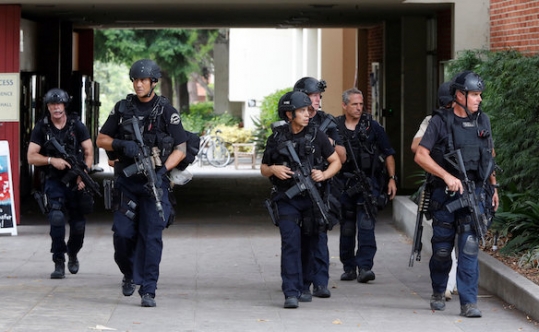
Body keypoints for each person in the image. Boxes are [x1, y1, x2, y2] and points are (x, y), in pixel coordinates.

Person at [96, 59, 187, 307]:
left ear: (153, 82)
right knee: (122, 235)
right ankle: (129, 272)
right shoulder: (122, 108)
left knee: (151, 236)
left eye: (143, 80)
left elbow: (181, 148)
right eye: (135, 80)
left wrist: (162, 172)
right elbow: (101, 139)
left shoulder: (166, 111)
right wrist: (120, 144)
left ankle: (149, 288)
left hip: (154, 185)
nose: (138, 84)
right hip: (127, 183)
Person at [414, 70, 499, 317]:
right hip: (445, 196)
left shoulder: (484, 121)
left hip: (475, 193)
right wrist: (446, 176)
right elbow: (420, 155)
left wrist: (493, 186)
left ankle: (469, 302)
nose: (479, 99)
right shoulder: (440, 121)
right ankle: (439, 290)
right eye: (474, 94)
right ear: (460, 95)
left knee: (470, 248)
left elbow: (489, 155)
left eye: (479, 95)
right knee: (441, 251)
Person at [261, 91, 341, 309]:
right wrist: (273, 169)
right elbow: (263, 168)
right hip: (286, 198)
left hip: (311, 200)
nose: (308, 114)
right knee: (290, 243)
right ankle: (291, 292)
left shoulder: (317, 136)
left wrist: (323, 175)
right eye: (302, 111)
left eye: (309, 110)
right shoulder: (277, 137)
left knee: (309, 242)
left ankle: (306, 285)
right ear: (289, 114)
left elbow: (336, 161)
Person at [27, 88, 94, 279]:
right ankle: (58, 261)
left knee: (79, 226)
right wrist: (51, 161)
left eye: (59, 104)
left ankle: (72, 252)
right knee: (56, 219)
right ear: (48, 107)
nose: (56, 108)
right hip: (55, 180)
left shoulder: (77, 126)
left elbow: (89, 152)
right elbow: (31, 157)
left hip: (76, 181)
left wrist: (84, 175)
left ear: (65, 105)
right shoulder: (42, 128)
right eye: (52, 105)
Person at [292, 77, 346, 300]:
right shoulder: (292, 120)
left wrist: (329, 145)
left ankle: (321, 281)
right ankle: (301, 280)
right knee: (300, 236)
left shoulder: (327, 122)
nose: (317, 100)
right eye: (314, 96)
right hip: (297, 185)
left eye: (318, 97)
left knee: (320, 233)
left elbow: (342, 156)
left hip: (322, 183)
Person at [336, 87, 397, 283]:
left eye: (361, 104)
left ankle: (364, 267)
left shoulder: (372, 126)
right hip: (344, 184)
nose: (359, 108)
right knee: (346, 228)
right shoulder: (335, 127)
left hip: (368, 184)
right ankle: (349, 267)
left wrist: (392, 178)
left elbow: (388, 152)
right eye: (354, 104)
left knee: (366, 226)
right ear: (344, 105)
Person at [411, 81, 458, 300]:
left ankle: (455, 286)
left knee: (464, 243)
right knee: (444, 243)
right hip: (441, 185)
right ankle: (444, 287)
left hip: (465, 186)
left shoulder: (475, 121)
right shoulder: (433, 120)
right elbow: (416, 147)